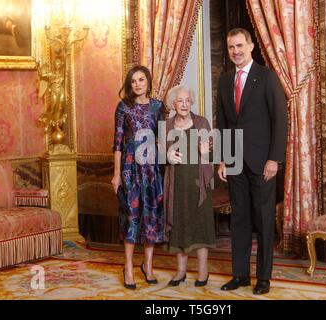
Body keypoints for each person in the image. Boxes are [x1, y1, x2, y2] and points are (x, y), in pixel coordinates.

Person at [216, 28, 288, 295]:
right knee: (240, 220)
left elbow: (280, 120)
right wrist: (222, 159)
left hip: (262, 163)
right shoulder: (224, 81)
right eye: (231, 47)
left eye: (240, 46)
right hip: (234, 161)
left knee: (264, 220)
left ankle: (264, 278)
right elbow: (222, 123)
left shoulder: (266, 77)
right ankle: (240, 275)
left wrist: (274, 159)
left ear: (251, 46)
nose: (235, 51)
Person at [111, 65, 165, 290]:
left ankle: (148, 266)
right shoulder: (124, 107)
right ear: (129, 84)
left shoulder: (158, 106)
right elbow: (117, 143)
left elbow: (161, 138)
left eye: (141, 80)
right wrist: (116, 175)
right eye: (133, 81)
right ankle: (129, 268)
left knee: (151, 216)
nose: (137, 84)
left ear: (148, 81)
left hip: (152, 168)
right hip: (130, 168)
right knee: (131, 217)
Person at [163, 85, 215, 287]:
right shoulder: (166, 125)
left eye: (187, 101)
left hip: (197, 182)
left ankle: (203, 271)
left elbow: (213, 153)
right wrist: (166, 155)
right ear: (173, 104)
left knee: (201, 226)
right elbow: (159, 154)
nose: (184, 104)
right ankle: (181, 271)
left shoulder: (202, 122)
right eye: (180, 101)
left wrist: (205, 152)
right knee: (179, 225)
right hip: (176, 184)